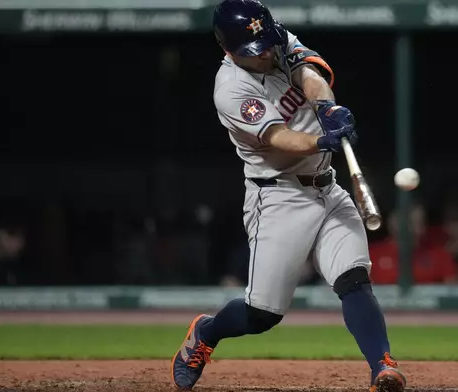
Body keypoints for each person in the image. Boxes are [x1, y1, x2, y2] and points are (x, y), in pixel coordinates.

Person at [171, 1, 406, 392]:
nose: (265, 52)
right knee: (261, 314)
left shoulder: (276, 39)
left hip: (327, 187)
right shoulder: (231, 89)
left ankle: (381, 365)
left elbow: (309, 74)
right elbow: (279, 138)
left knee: (353, 278)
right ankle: (206, 333)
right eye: (254, 48)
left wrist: (328, 107)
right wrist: (321, 138)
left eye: (266, 43)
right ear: (227, 48)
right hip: (278, 198)